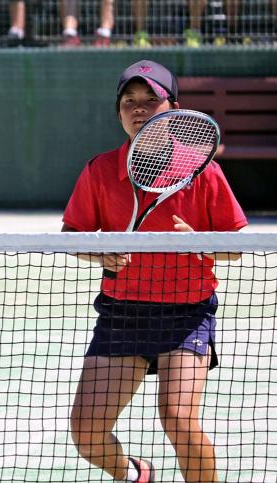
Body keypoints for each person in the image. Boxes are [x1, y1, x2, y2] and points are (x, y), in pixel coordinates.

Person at [62, 59, 247, 482]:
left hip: (185, 314)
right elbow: (71, 235)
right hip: (122, 314)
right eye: (130, 101)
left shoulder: (202, 171)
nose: (140, 108)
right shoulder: (100, 169)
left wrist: (200, 242)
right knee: (86, 433)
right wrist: (99, 253)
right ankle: (133, 474)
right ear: (119, 112)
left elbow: (236, 246)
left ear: (172, 108)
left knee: (178, 420)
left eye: (151, 99)